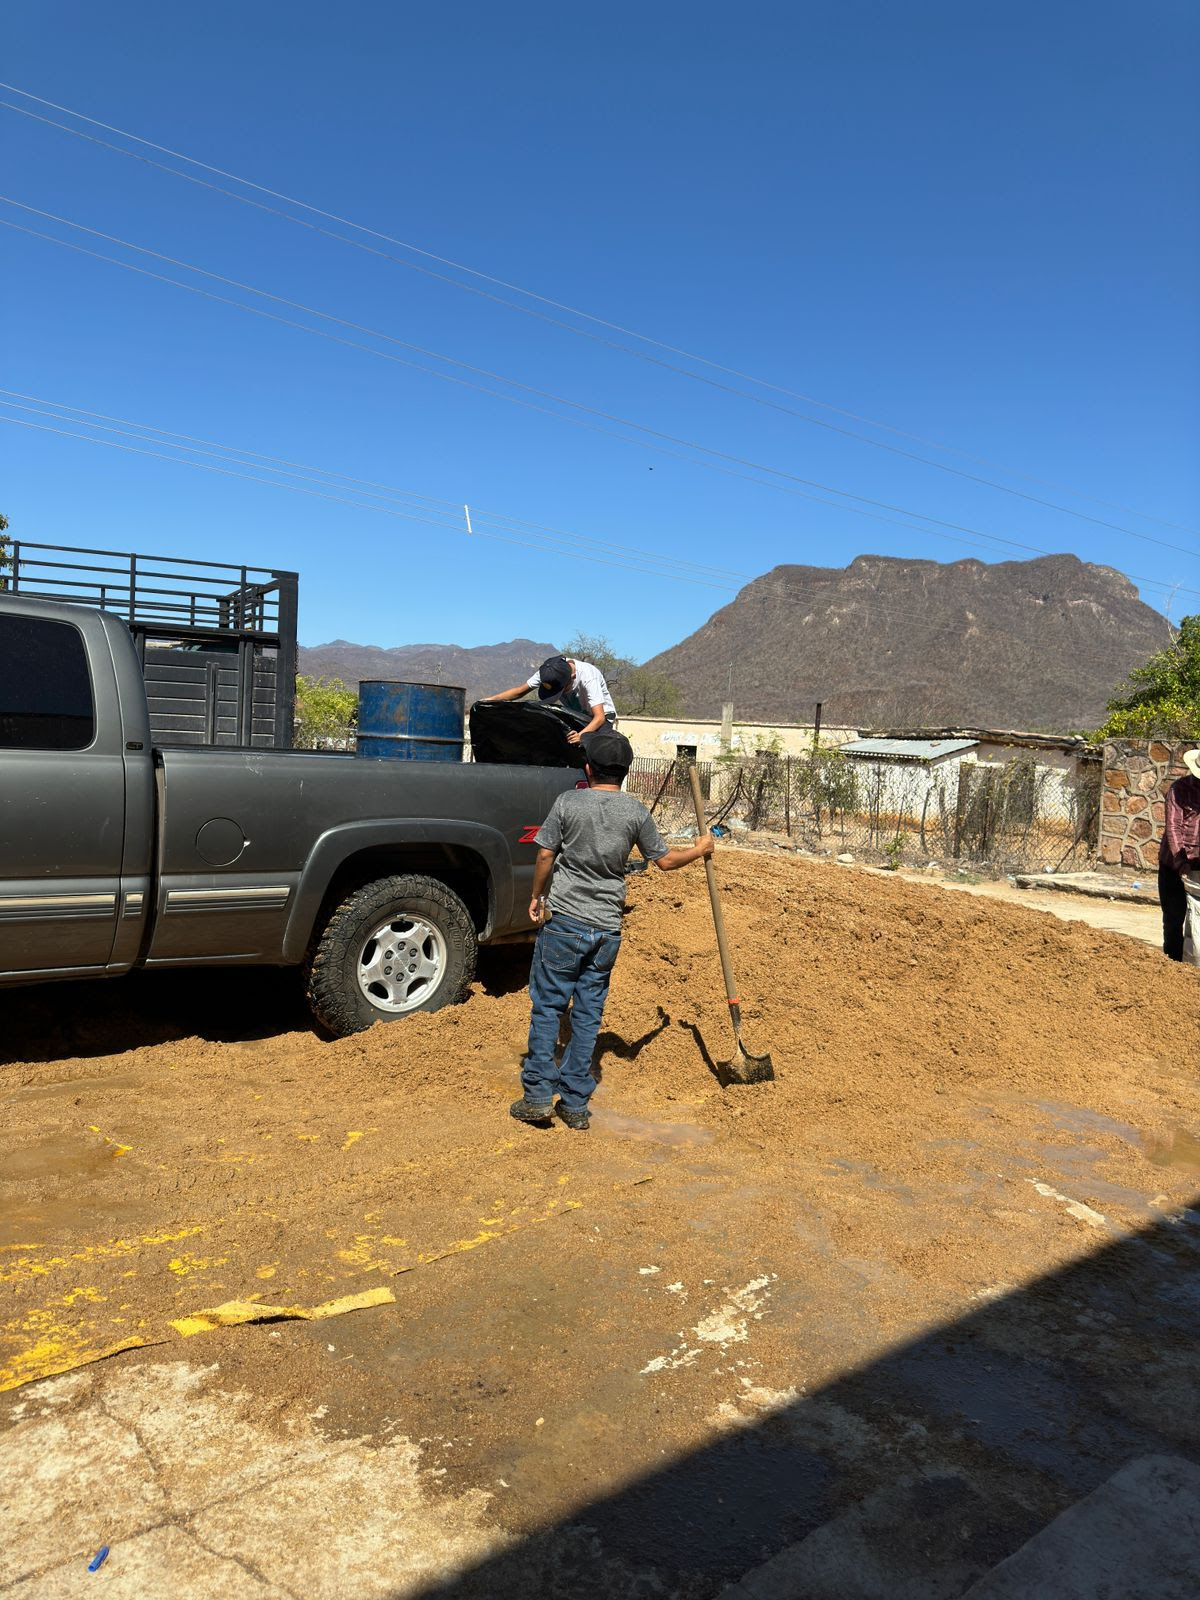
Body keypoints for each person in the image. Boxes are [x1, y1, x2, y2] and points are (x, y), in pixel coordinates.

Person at [510, 729, 714, 1131]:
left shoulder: (568, 802)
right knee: (588, 1016)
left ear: (588, 768)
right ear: (626, 771)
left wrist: (537, 895)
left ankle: (537, 1097)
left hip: (564, 922)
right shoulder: (635, 813)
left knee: (549, 1007)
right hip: (605, 930)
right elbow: (666, 862)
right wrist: (701, 849)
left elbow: (546, 854)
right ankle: (574, 1105)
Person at [488, 654, 617, 744]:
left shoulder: (588, 677)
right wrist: (488, 701)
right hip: (577, 717)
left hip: (601, 719)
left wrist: (581, 736)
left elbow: (599, 717)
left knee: (594, 751)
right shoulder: (549, 672)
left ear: (572, 677)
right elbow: (519, 692)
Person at [1159, 746, 1200, 964]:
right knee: (1174, 918)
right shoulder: (1179, 790)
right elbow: (1173, 827)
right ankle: (1172, 966)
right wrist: (1180, 861)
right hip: (1174, 863)